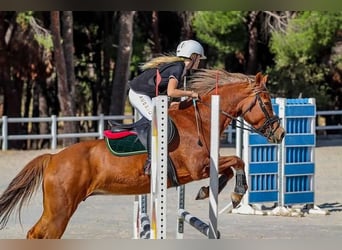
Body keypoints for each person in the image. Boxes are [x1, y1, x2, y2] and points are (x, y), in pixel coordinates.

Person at [128, 39, 206, 175]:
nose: (199, 61)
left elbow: (167, 93)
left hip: (146, 95)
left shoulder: (181, 68)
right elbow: (171, 92)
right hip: (138, 94)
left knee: (162, 118)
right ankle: (151, 162)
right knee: (158, 120)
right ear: (193, 56)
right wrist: (191, 93)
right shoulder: (179, 67)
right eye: (199, 58)